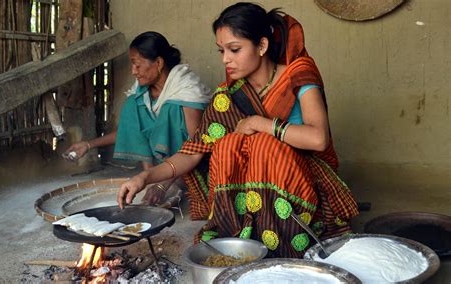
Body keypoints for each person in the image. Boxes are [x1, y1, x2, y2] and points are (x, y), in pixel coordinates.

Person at [117, 3, 358, 258]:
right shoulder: (229, 95)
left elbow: (318, 138)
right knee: (227, 146)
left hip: (304, 182)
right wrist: (145, 178)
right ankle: (246, 231)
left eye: (234, 49)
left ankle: (284, 236)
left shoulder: (298, 75)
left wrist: (259, 123)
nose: (225, 59)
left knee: (264, 145)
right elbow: (193, 152)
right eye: (221, 50)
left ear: (262, 46)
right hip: (256, 193)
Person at [64, 31, 211, 205]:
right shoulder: (141, 93)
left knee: (170, 109)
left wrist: (162, 185)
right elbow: (127, 132)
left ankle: (175, 182)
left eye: (137, 65)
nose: (133, 71)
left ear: (158, 63)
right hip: (156, 170)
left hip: (189, 166)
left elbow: (196, 148)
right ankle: (153, 176)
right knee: (133, 104)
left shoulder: (186, 91)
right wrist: (88, 144)